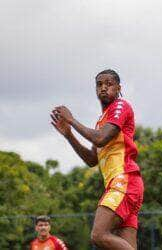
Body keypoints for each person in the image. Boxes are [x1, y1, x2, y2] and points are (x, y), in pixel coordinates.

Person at [50, 69, 144, 250]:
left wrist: (72, 120)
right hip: (124, 185)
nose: (103, 88)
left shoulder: (120, 106)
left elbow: (100, 138)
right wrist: (69, 135)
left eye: (109, 84)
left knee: (99, 234)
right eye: (99, 84)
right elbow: (92, 159)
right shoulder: (101, 121)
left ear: (118, 88)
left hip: (124, 180)